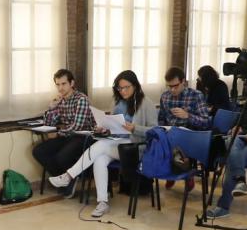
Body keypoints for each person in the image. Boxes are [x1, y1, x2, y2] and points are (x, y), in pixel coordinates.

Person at [48, 70, 158, 218]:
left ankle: (68, 176)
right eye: (120, 88)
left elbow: (155, 131)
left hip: (135, 147)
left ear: (135, 86)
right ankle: (102, 203)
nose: (123, 91)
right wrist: (105, 127)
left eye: (127, 87)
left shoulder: (146, 103)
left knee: (101, 146)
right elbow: (115, 124)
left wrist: (135, 128)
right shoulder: (119, 102)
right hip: (118, 143)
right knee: (99, 159)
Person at [31, 68, 96, 189]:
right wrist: (52, 107)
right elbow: (49, 123)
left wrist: (58, 134)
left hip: (83, 137)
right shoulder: (60, 100)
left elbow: (78, 126)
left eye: (64, 84)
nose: (60, 88)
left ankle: (70, 180)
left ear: (72, 83)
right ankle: (67, 181)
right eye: (58, 85)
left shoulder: (81, 99)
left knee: (61, 157)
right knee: (38, 151)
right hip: (68, 136)